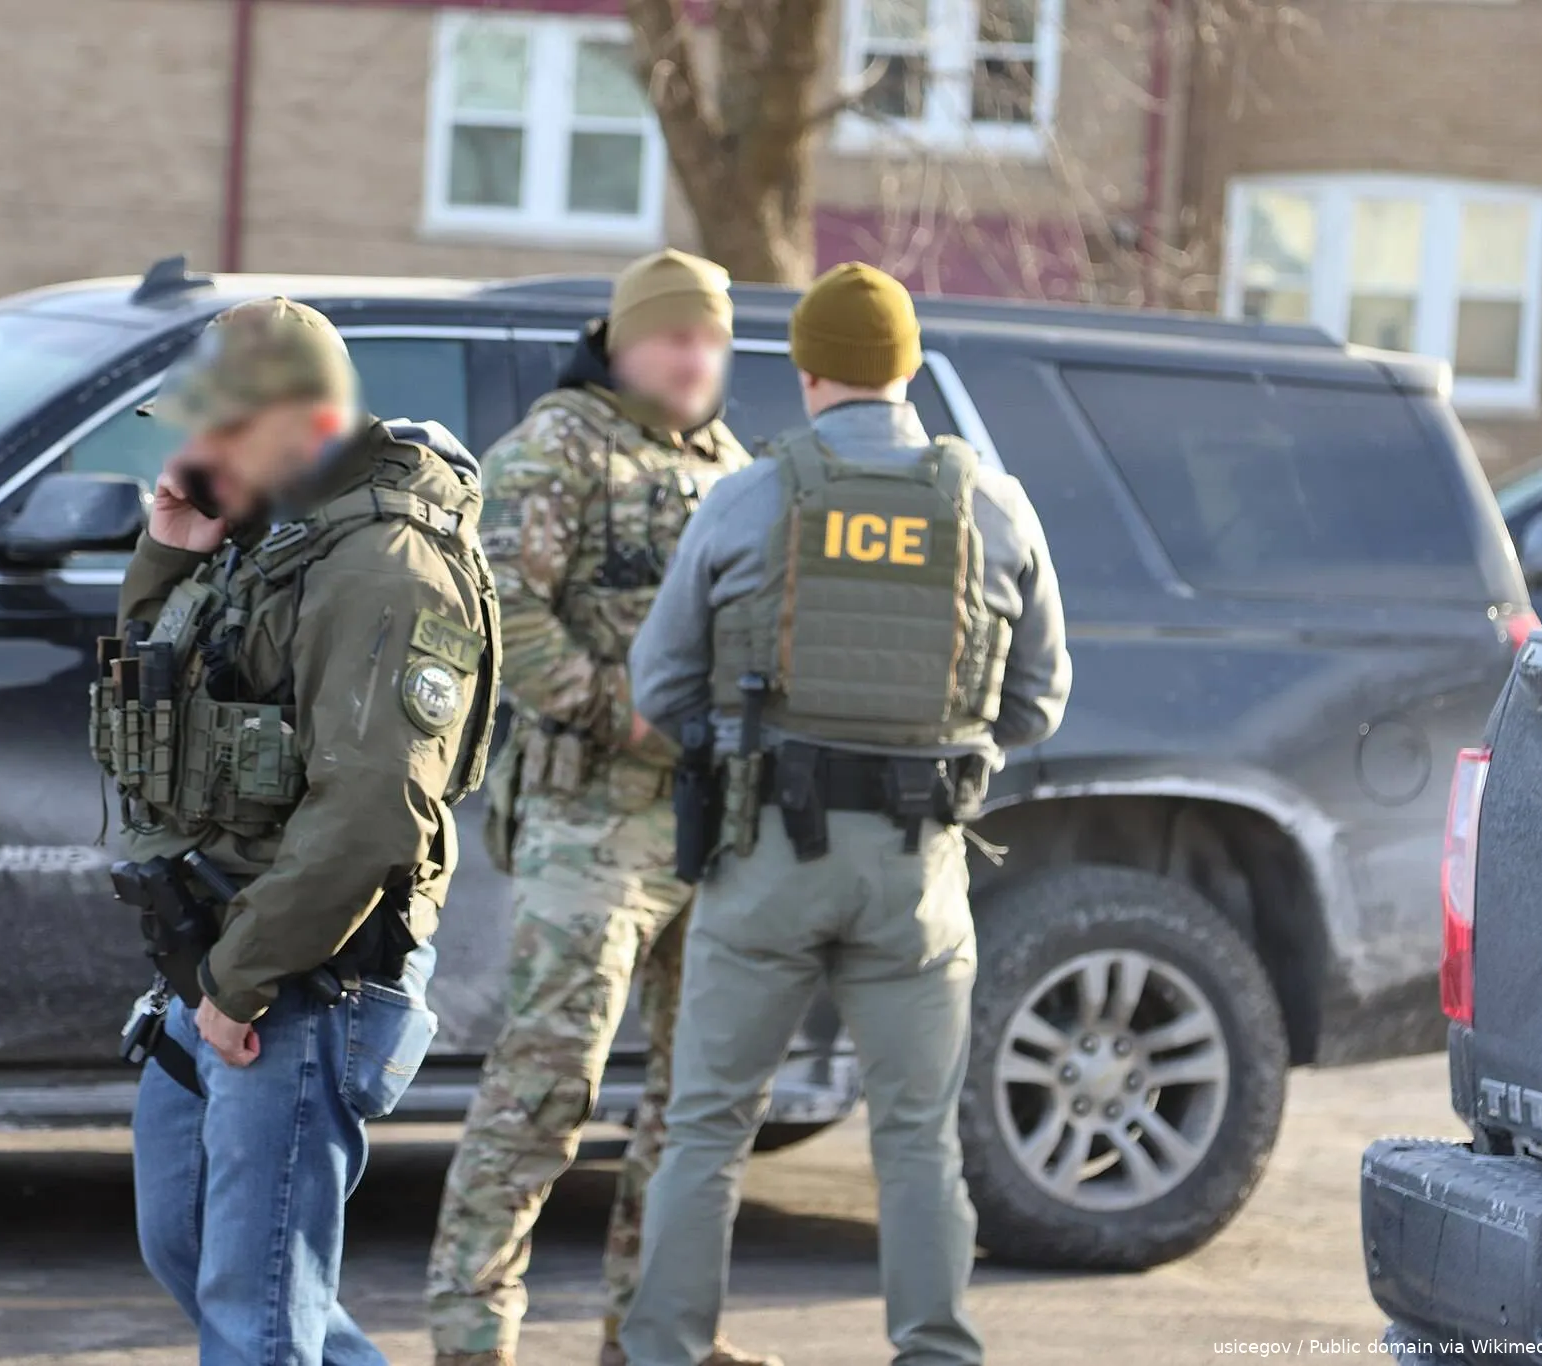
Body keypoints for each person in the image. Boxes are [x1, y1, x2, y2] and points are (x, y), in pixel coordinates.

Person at [620, 263, 1073, 1366]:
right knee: (916, 1140)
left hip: (765, 853)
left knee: (707, 1128)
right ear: (908, 367)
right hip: (915, 869)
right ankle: (933, 1350)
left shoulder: (746, 495)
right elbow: (1037, 701)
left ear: (807, 371)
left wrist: (749, 742)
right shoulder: (993, 504)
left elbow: (659, 685)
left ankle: (664, 1350)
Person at [103, 297, 500, 1366]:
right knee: (197, 1257)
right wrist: (169, 554)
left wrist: (239, 983)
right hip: (220, 952)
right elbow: (159, 717)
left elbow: (373, 811)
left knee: (257, 1319)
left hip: (300, 976)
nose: (193, 453)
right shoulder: (273, 535)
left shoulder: (381, 567)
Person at [425, 251, 775, 1366]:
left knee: (692, 1104)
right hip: (590, 826)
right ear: (623, 341)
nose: (693, 358)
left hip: (710, 828)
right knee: (546, 1087)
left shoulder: (736, 466)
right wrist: (621, 713)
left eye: (710, 340)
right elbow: (502, 616)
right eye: (674, 336)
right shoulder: (553, 449)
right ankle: (471, 1336)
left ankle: (653, 1335)